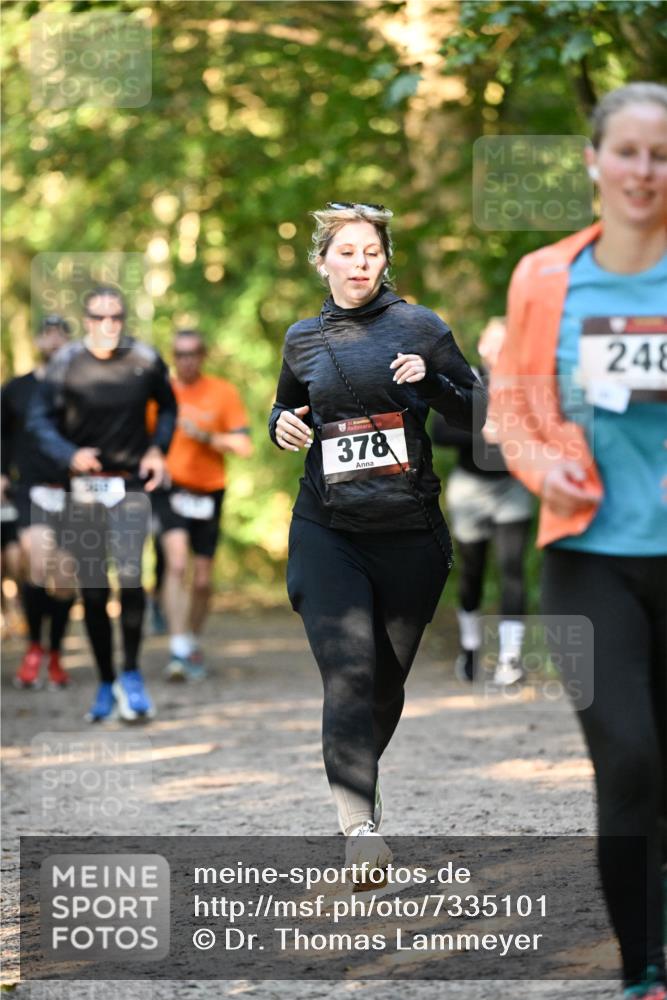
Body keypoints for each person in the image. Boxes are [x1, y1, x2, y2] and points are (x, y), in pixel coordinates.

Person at [488, 83, 667, 999]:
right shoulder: (545, 275)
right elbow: (513, 404)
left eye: (660, 155)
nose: (644, 170)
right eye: (628, 151)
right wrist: (536, 465)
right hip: (584, 555)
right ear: (594, 162)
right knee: (627, 755)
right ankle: (646, 968)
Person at [269, 202, 485, 870]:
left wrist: (435, 382)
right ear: (323, 261)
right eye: (346, 251)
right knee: (348, 672)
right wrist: (281, 425)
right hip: (327, 529)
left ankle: (357, 780)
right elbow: (285, 407)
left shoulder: (419, 326)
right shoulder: (302, 338)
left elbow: (480, 412)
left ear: (385, 259)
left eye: (371, 252)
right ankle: (358, 829)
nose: (359, 263)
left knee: (384, 685)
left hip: (408, 536)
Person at [28, 286, 177, 722]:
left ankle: (131, 674)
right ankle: (106, 681)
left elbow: (168, 409)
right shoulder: (66, 363)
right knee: (93, 591)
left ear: (124, 319)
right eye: (98, 318)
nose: (108, 326)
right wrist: (67, 453)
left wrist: (157, 450)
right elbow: (39, 419)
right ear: (87, 319)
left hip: (130, 485)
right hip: (84, 487)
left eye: (115, 318)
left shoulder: (145, 360)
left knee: (131, 580)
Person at [432, 317, 534, 686]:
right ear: (481, 347)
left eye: (506, 345)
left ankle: (510, 659)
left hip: (512, 486)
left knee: (512, 570)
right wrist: (481, 427)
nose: (498, 351)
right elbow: (439, 431)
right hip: (470, 488)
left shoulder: (525, 385)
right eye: (493, 343)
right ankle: (471, 648)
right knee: (472, 572)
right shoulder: (464, 380)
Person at [153, 328, 252, 680]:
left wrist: (207, 437)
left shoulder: (222, 392)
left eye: (193, 353)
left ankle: (190, 641)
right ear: (173, 356)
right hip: (170, 488)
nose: (186, 360)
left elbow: (244, 446)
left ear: (203, 355)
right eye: (179, 354)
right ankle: (178, 646)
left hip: (209, 491)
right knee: (177, 563)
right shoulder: (160, 392)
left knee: (202, 580)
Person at [1, 315, 75, 688]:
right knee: (34, 557)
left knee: (64, 578)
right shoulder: (16, 389)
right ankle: (33, 648)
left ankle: (56, 654)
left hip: (72, 491)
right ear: (37, 341)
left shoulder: (81, 389)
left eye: (61, 335)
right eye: (48, 334)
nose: (54, 341)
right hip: (29, 488)